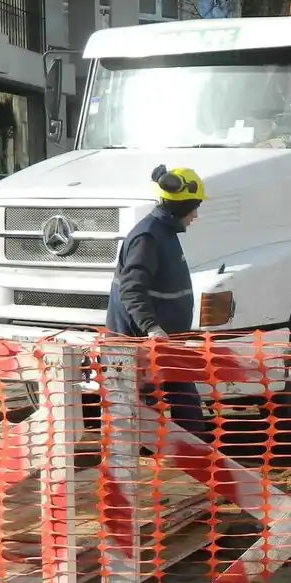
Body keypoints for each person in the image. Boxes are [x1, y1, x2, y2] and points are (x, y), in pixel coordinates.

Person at [105, 165, 209, 435]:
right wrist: (152, 327)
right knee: (145, 405)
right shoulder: (148, 237)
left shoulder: (163, 233)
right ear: (181, 204)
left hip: (163, 340)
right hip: (141, 341)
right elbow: (132, 288)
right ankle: (192, 454)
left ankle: (193, 453)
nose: (195, 216)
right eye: (194, 207)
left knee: (176, 396)